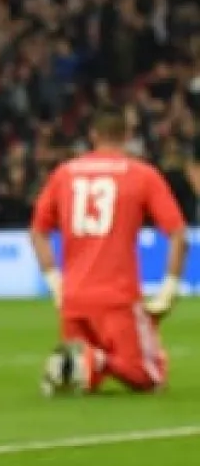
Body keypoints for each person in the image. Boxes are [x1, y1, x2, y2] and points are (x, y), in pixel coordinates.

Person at [30, 108, 189, 395]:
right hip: (117, 297)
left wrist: (55, 282)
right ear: (128, 136)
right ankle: (93, 359)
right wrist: (169, 287)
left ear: (93, 135)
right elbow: (178, 234)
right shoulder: (141, 175)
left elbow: (37, 231)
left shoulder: (64, 173)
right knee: (150, 378)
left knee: (88, 380)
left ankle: (75, 365)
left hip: (74, 298)